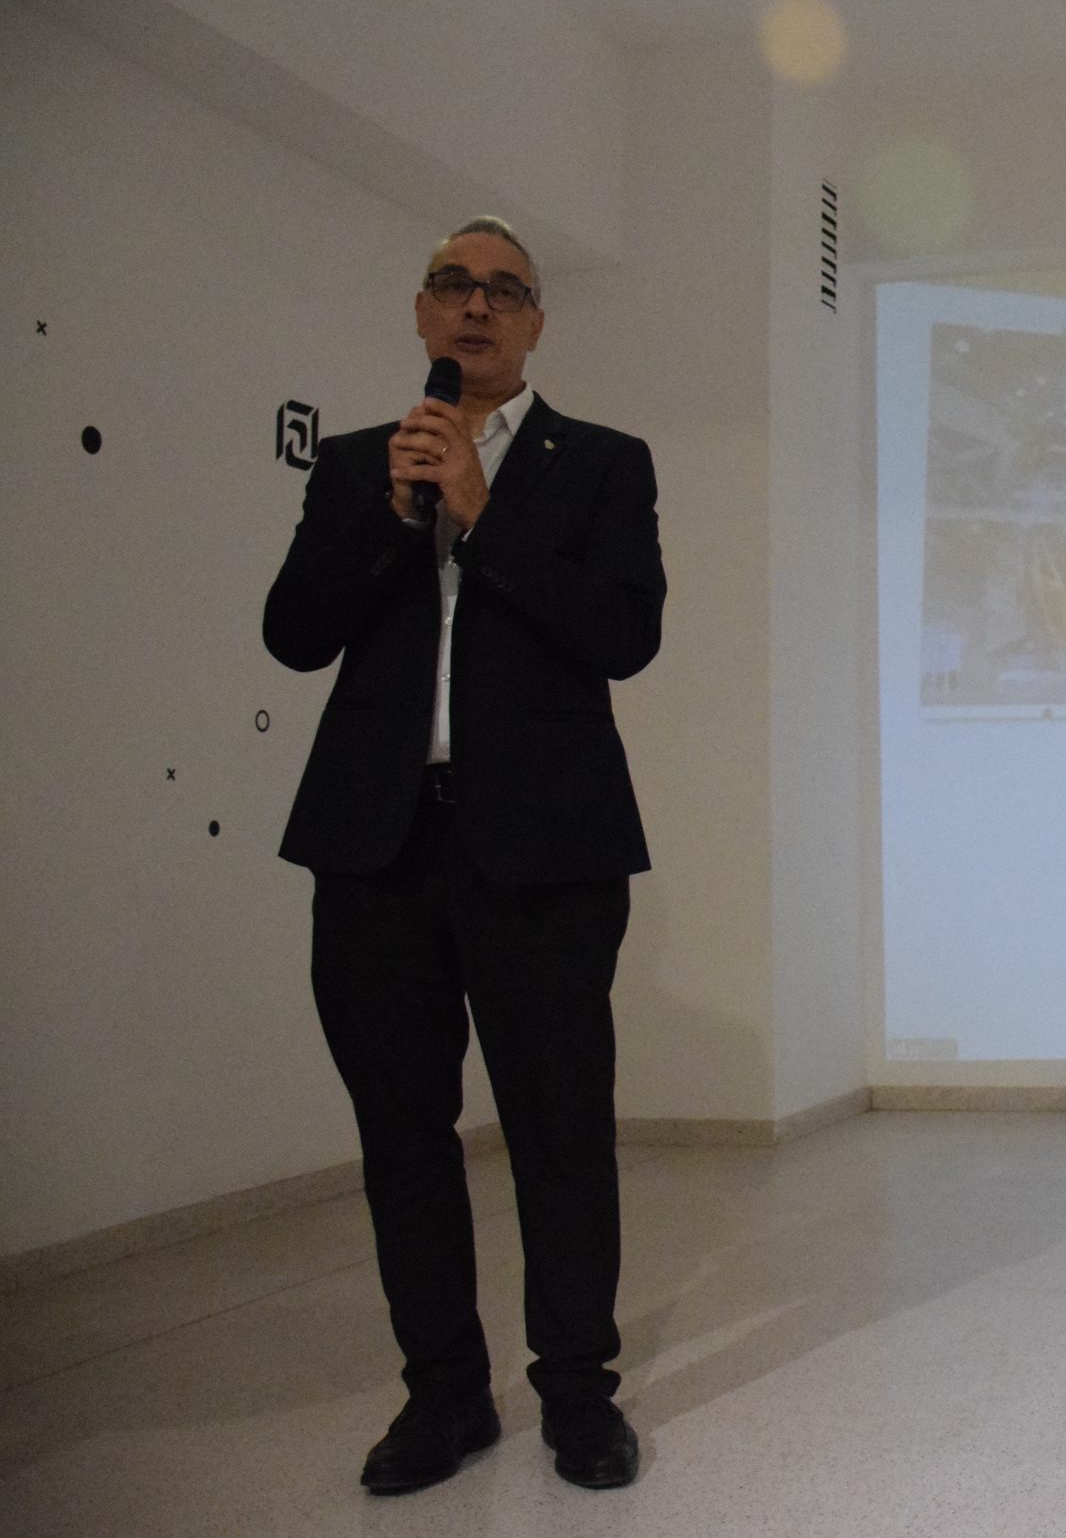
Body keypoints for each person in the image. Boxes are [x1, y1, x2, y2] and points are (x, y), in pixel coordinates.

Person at [263, 216, 663, 1493]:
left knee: (559, 1127)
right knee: (401, 1133)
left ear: (537, 321)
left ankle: (577, 1395)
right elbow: (293, 634)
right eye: (453, 285)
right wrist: (393, 519)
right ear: (422, 311)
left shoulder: (601, 464)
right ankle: (443, 1397)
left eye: (503, 290)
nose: (476, 306)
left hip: (544, 849)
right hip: (375, 846)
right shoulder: (355, 465)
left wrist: (482, 520)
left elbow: (623, 634)